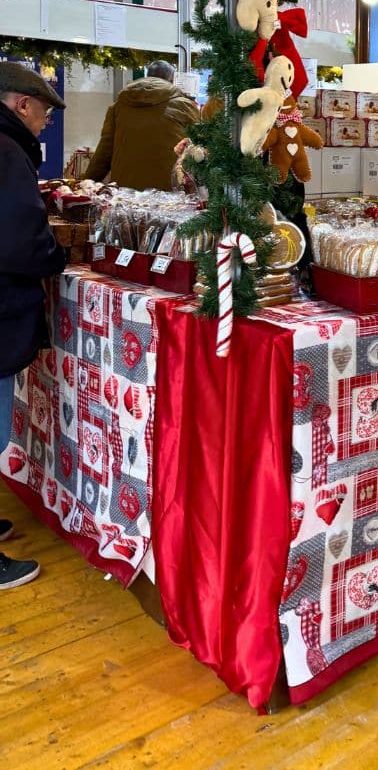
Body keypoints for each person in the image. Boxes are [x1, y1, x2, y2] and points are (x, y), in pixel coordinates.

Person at [0, 62, 68, 589]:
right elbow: (20, 239)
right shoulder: (7, 152)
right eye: (44, 111)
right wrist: (56, 257)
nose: (45, 122)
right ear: (22, 104)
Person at [85, 61, 200, 190]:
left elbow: (104, 152)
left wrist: (86, 183)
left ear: (147, 75)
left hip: (125, 192)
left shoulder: (118, 107)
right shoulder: (185, 105)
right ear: (172, 79)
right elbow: (201, 146)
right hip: (169, 191)